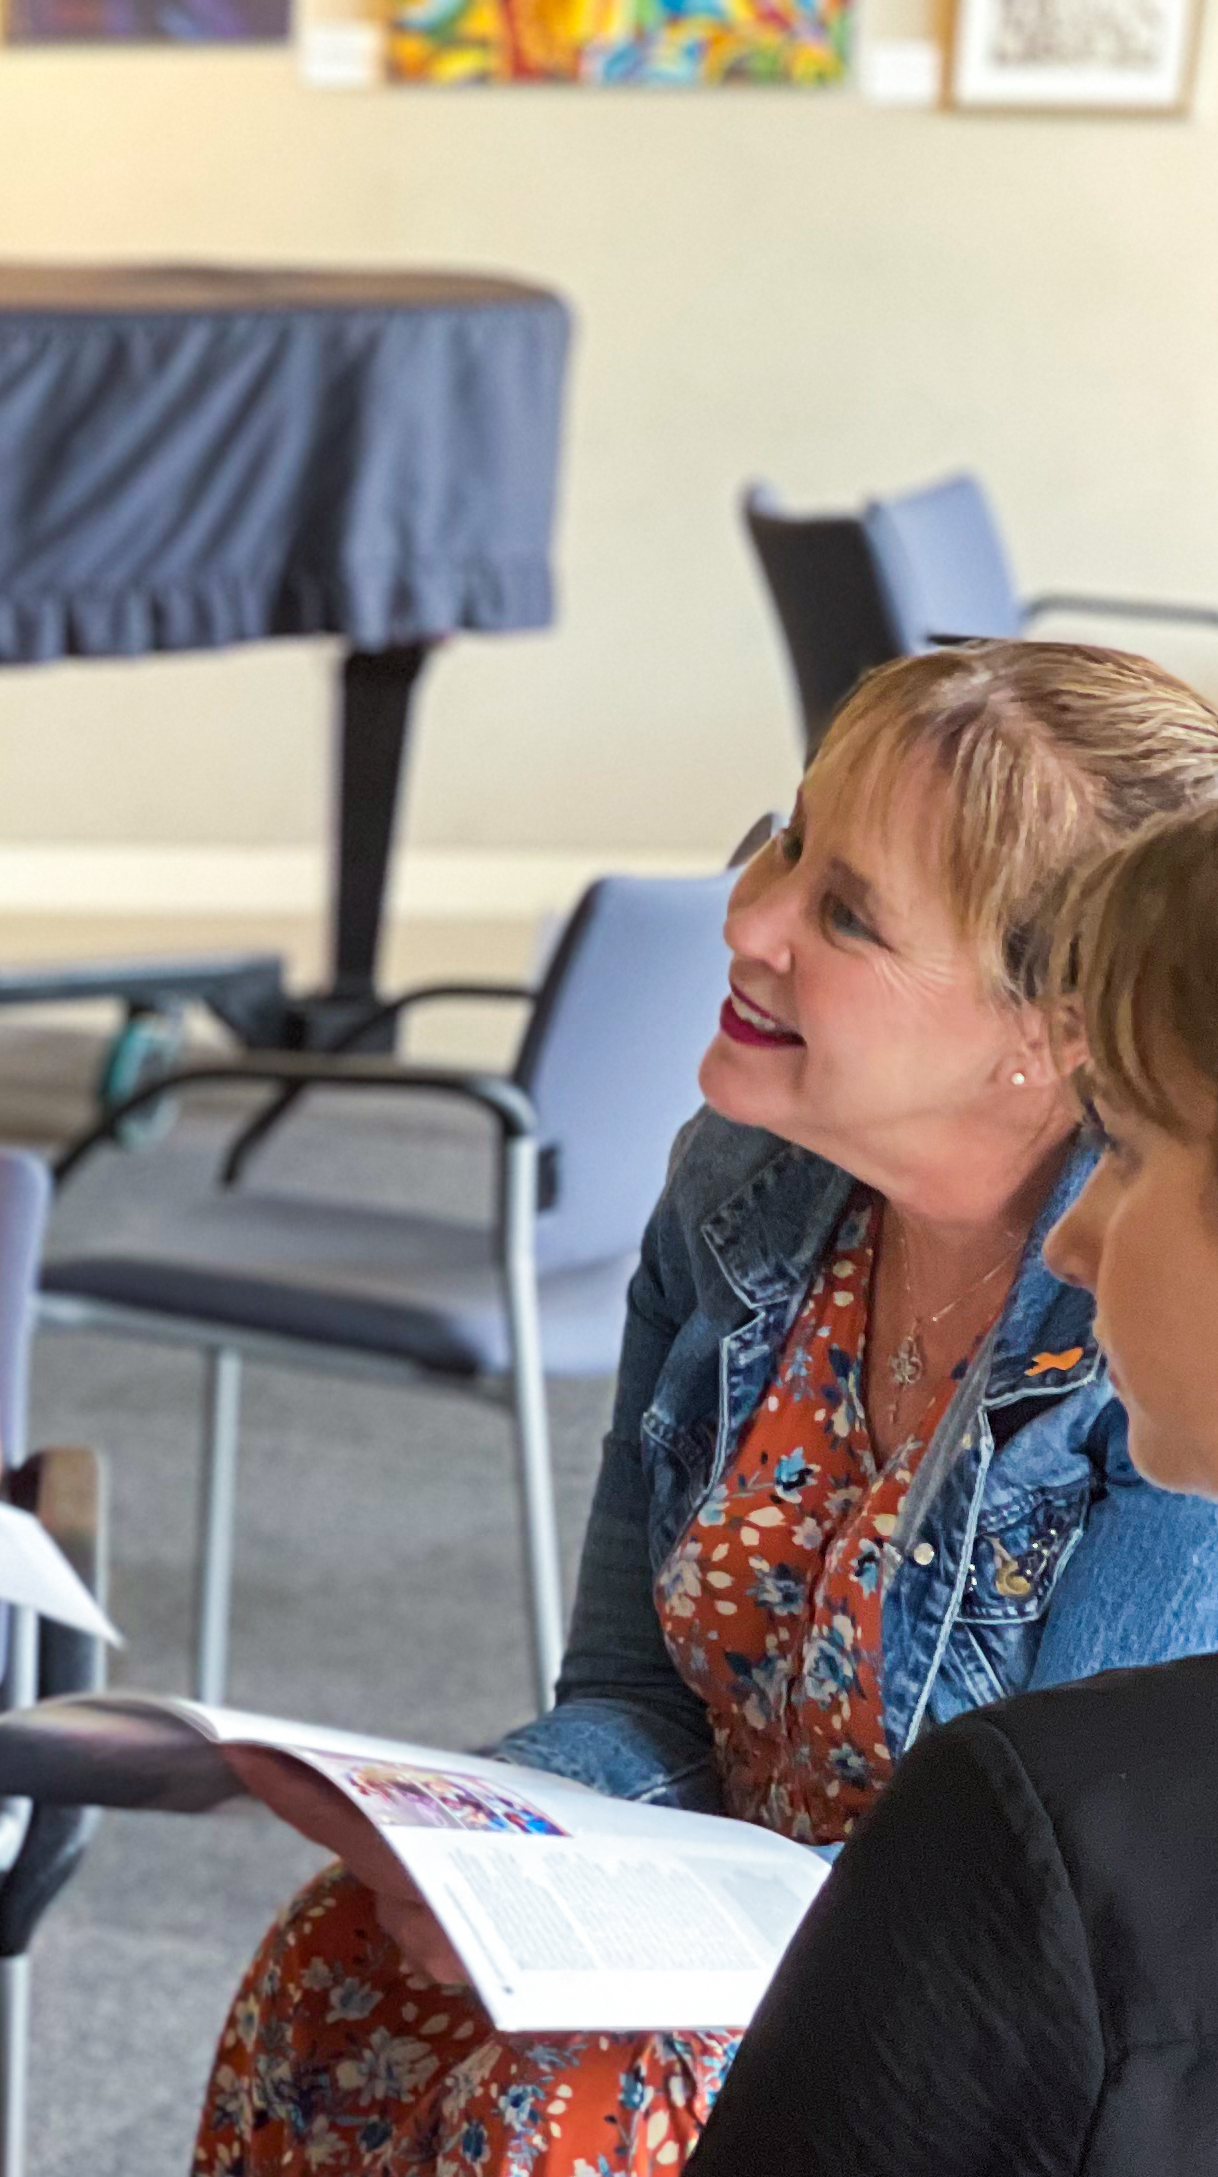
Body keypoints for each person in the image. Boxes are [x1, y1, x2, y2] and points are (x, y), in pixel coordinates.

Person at [193, 641, 1218, 2177]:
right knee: (343, 1955)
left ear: (1055, 1028)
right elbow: (639, 1690)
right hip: (721, 1920)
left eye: (847, 912)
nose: (747, 915)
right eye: (785, 839)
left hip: (969, 2012)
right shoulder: (746, 1193)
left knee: (574, 2098)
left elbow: (1066, 1903)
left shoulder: (1170, 1326)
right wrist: (484, 1834)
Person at [683, 801, 1218, 2175]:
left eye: (1132, 1150)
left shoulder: (1044, 1821)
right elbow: (629, 1686)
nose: (1080, 1238)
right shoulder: (740, 1196)